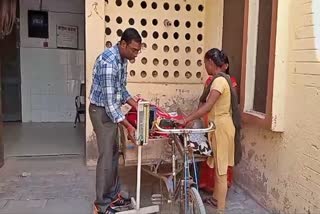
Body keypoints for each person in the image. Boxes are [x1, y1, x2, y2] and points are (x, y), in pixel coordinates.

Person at [175, 48, 237, 213]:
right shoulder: (222, 80)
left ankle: (220, 210)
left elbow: (208, 106)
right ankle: (216, 199)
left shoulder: (218, 82)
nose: (205, 67)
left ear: (211, 62)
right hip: (220, 125)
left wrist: (188, 119)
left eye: (205, 63)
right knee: (218, 164)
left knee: (221, 170)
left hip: (221, 127)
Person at [89, 28, 142, 214]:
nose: (135, 54)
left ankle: (113, 195)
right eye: (134, 50)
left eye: (138, 50)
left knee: (114, 153)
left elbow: (121, 89)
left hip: (110, 111)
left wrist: (139, 107)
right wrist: (128, 125)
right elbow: (111, 104)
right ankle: (101, 204)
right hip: (101, 112)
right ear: (123, 44)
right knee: (106, 157)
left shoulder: (123, 60)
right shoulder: (109, 62)